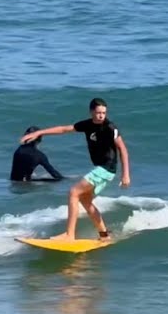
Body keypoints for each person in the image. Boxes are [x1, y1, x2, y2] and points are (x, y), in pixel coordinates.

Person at [19, 97, 131, 241]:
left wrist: (126, 175)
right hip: (102, 169)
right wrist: (39, 133)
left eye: (104, 112)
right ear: (91, 112)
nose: (101, 115)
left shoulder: (110, 128)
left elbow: (123, 149)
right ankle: (104, 234)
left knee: (73, 192)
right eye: (98, 112)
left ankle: (69, 235)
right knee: (85, 200)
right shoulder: (88, 125)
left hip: (106, 168)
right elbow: (64, 129)